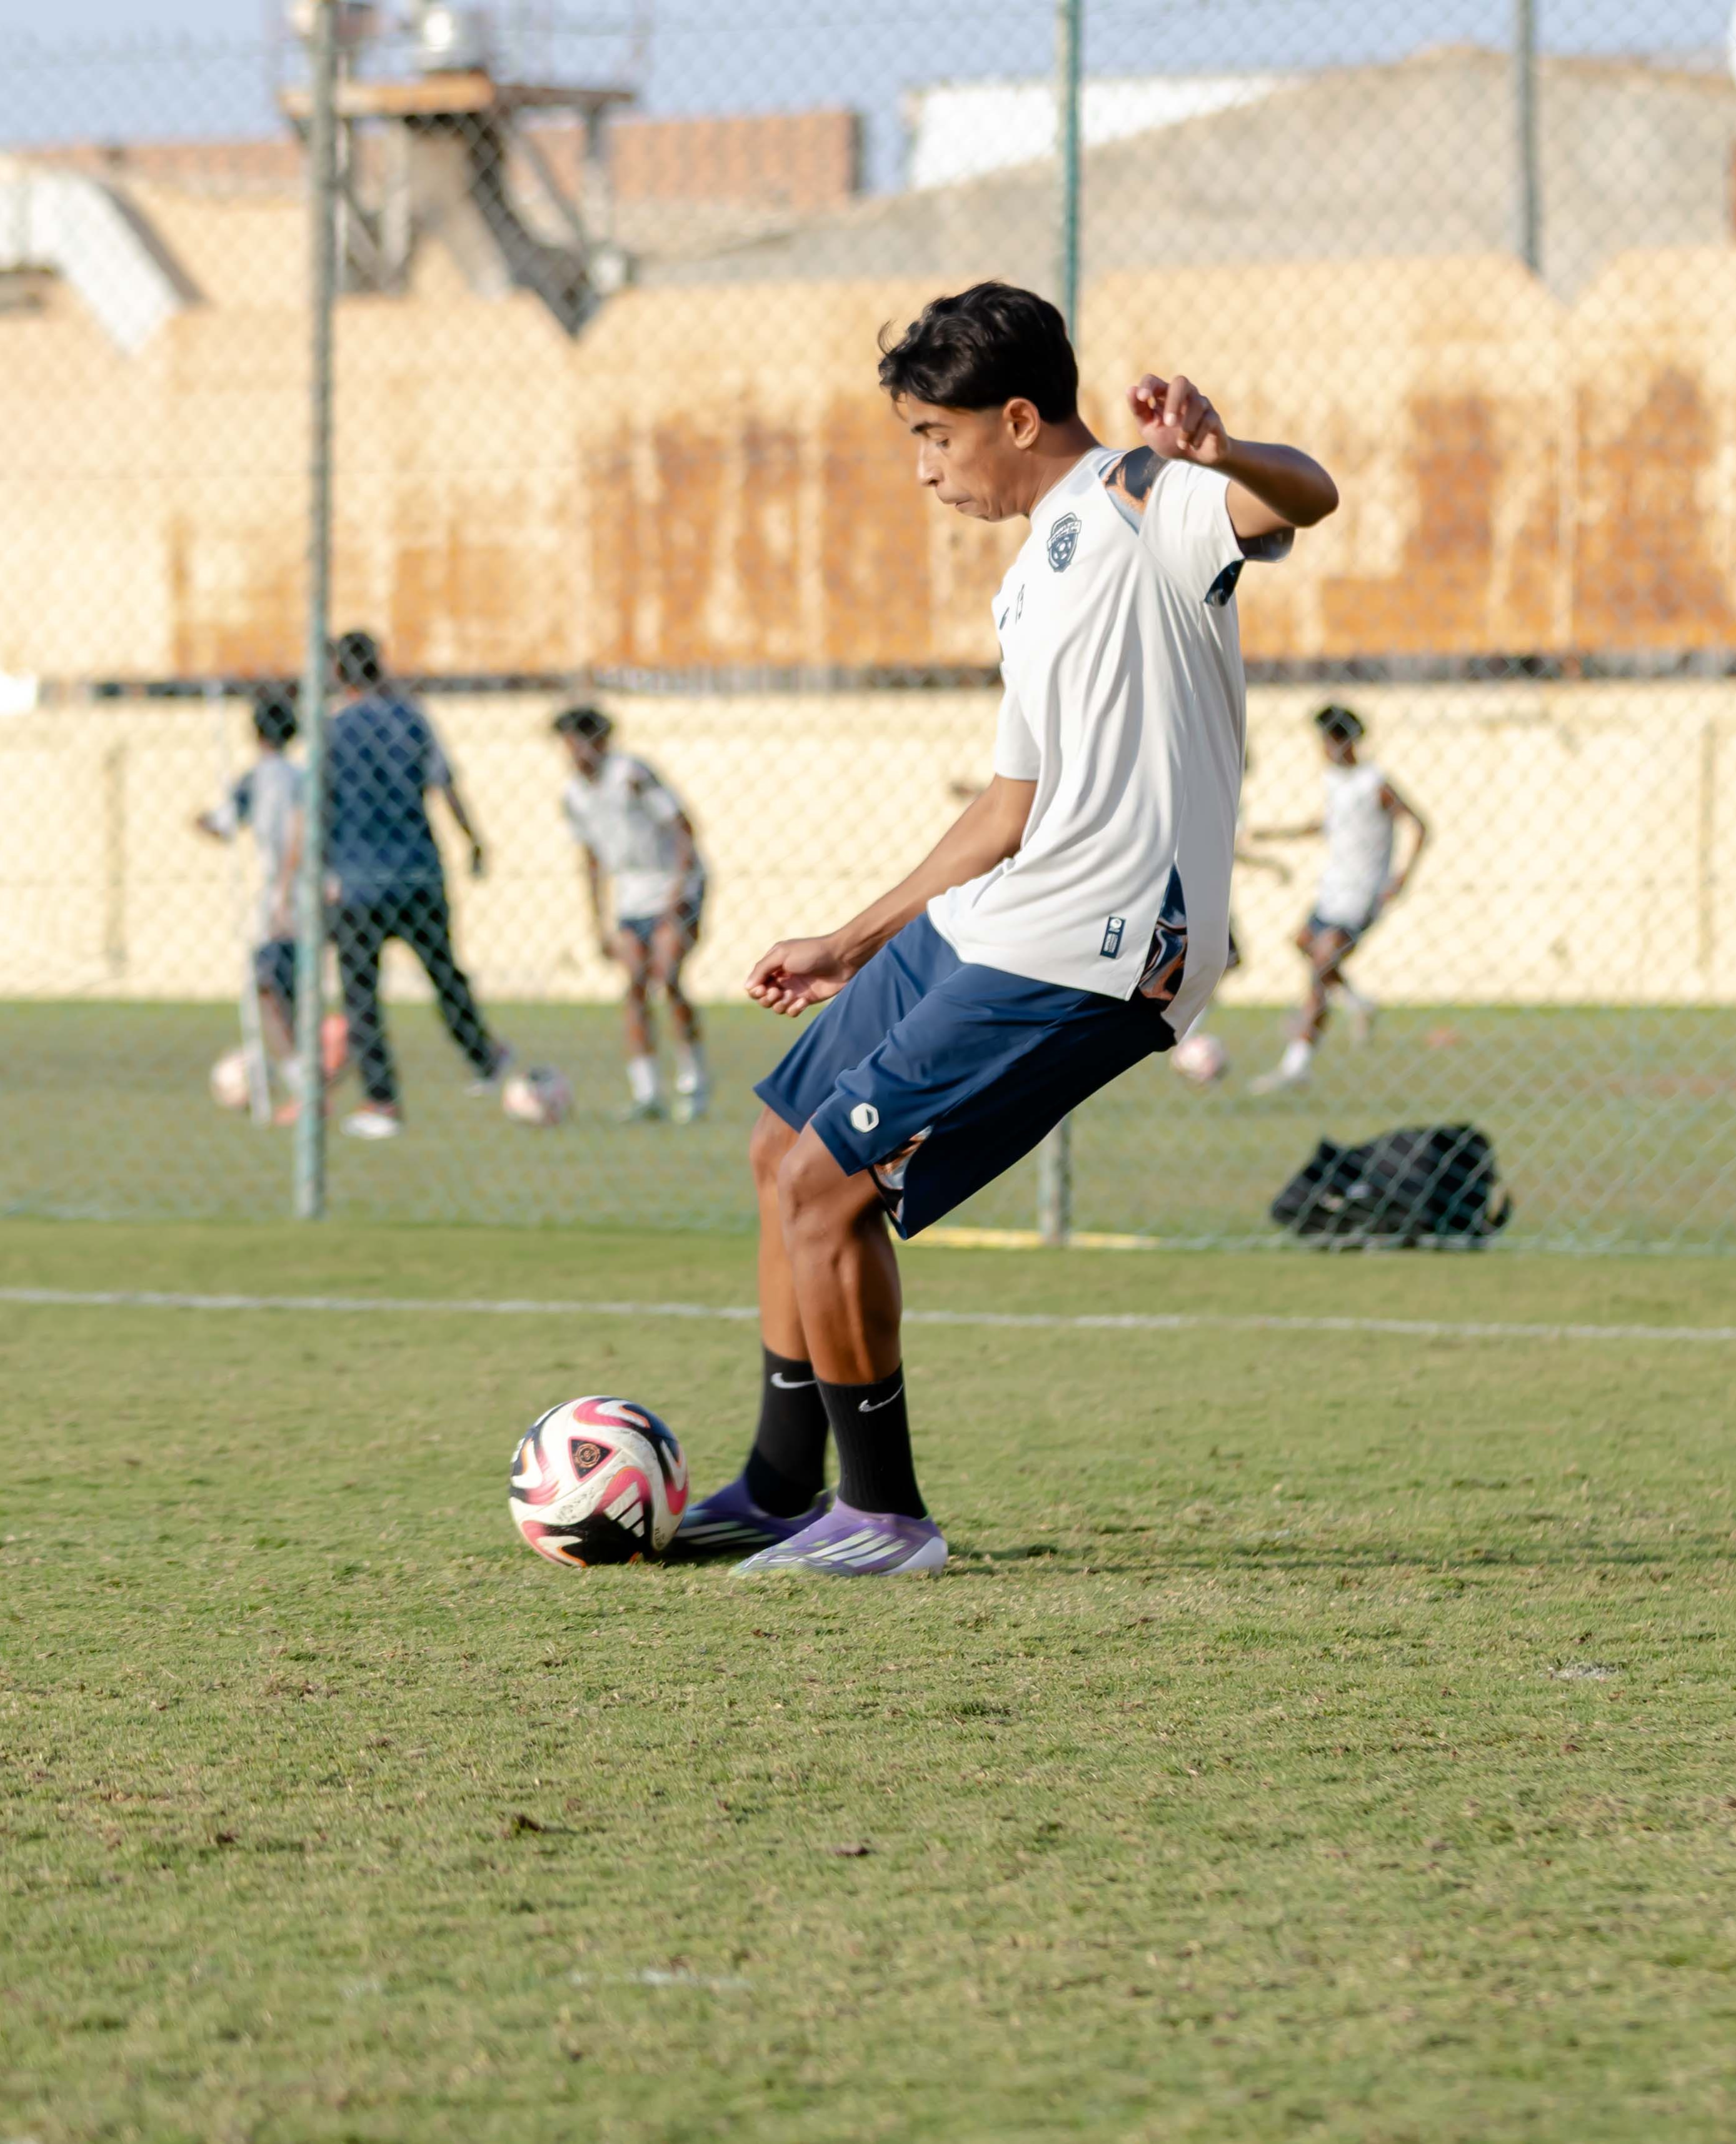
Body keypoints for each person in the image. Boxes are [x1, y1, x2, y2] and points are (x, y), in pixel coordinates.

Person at [683, 281, 1334, 1574]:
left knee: (828, 1188)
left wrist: (1223, 452)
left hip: (1099, 941)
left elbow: (1305, 494)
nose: (923, 469)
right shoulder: (1027, 575)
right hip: (997, 909)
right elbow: (1008, 801)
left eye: (935, 435)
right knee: (776, 1146)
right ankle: (775, 1481)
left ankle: (883, 1518)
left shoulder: (1148, 501)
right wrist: (854, 936)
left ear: (1019, 416)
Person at [321, 630, 508, 1139]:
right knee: (444, 971)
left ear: (338, 673)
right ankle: (484, 1057)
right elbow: (445, 784)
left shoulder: (332, 731)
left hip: (358, 883)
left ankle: (382, 1101)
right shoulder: (411, 719)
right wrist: (472, 840)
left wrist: (320, 874)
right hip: (419, 873)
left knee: (361, 992)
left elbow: (318, 807)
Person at [1249, 703, 1428, 1089]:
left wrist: (1401, 877)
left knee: (1320, 966)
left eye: (1325, 740)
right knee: (1303, 943)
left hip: (1362, 892)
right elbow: (1330, 825)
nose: (1321, 748)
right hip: (1333, 887)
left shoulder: (1374, 782)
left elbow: (1420, 825)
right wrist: (1277, 834)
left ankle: (1297, 1065)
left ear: (1342, 740)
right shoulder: (1334, 781)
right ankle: (1356, 1002)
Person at [553, 705, 709, 1122]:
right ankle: (647, 1092)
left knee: (668, 976)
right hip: (629, 896)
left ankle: (694, 1083)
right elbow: (589, 858)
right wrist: (597, 921)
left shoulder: (632, 775)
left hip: (671, 887)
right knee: (635, 984)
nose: (574, 751)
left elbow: (682, 825)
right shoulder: (574, 794)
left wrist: (680, 887)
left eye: (581, 739)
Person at [194, 686, 308, 1123]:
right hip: (304, 897)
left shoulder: (260, 778)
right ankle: (301, 1079)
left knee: (267, 987)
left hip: (281, 900)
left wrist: (198, 819)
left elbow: (224, 825)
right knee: (287, 989)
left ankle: (302, 1081)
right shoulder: (300, 776)